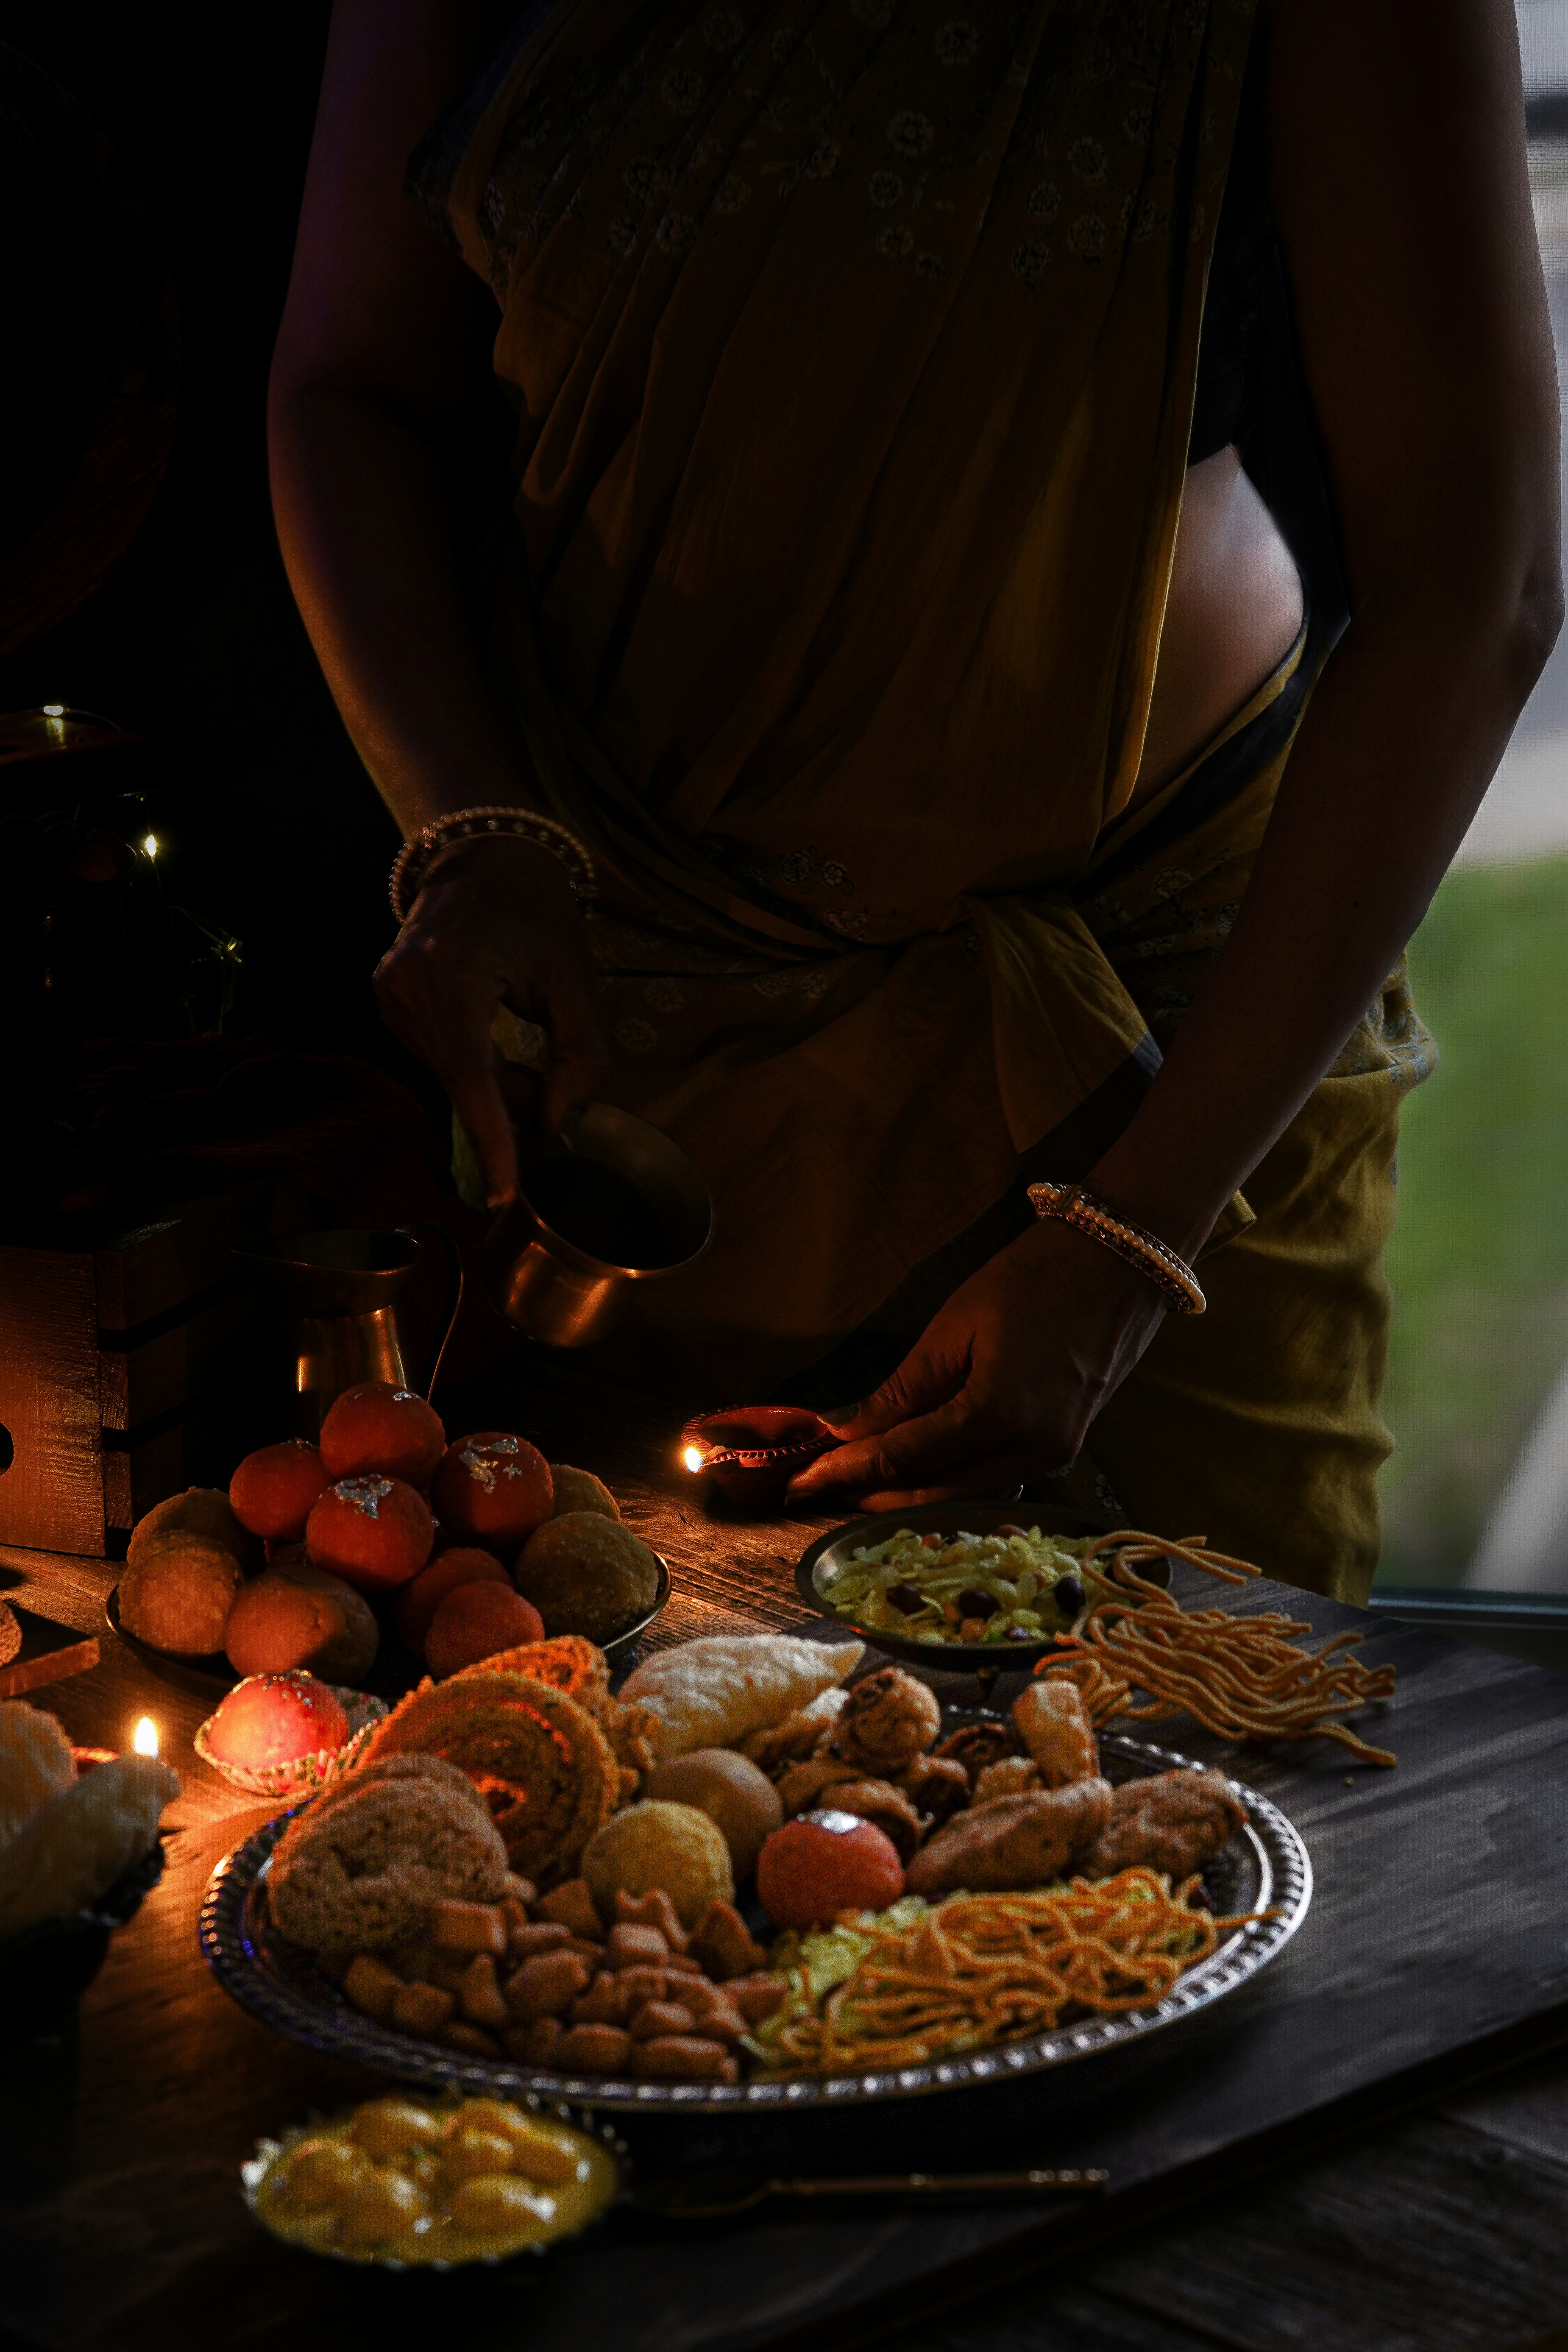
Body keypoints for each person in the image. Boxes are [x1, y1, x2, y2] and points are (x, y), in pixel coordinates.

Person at [269, 0, 1561, 1601]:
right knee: (637, 1765)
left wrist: (1139, 1229)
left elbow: (1477, 580)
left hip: (1162, 1050)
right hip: (638, 1028)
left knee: (1196, 1770)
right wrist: (469, 831)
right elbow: (348, 385)